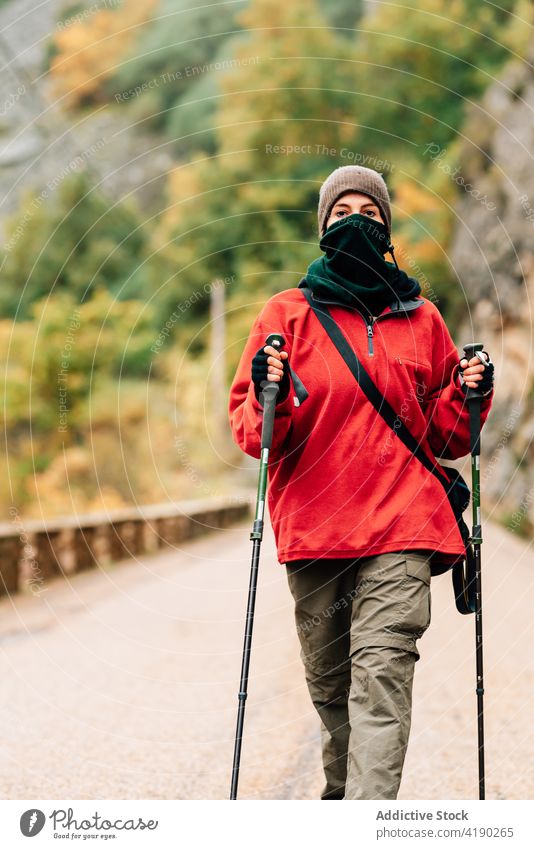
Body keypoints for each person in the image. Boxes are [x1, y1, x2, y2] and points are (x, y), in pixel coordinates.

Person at [228, 165, 495, 800]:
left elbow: (446, 436)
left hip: (404, 526)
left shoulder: (422, 319)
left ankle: (366, 826)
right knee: (331, 690)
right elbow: (251, 432)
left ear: (388, 230)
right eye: (343, 211)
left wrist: (467, 393)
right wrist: (272, 396)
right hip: (316, 530)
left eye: (370, 214)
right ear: (324, 227)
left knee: (382, 679)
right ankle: (341, 803)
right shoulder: (285, 315)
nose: (357, 221)